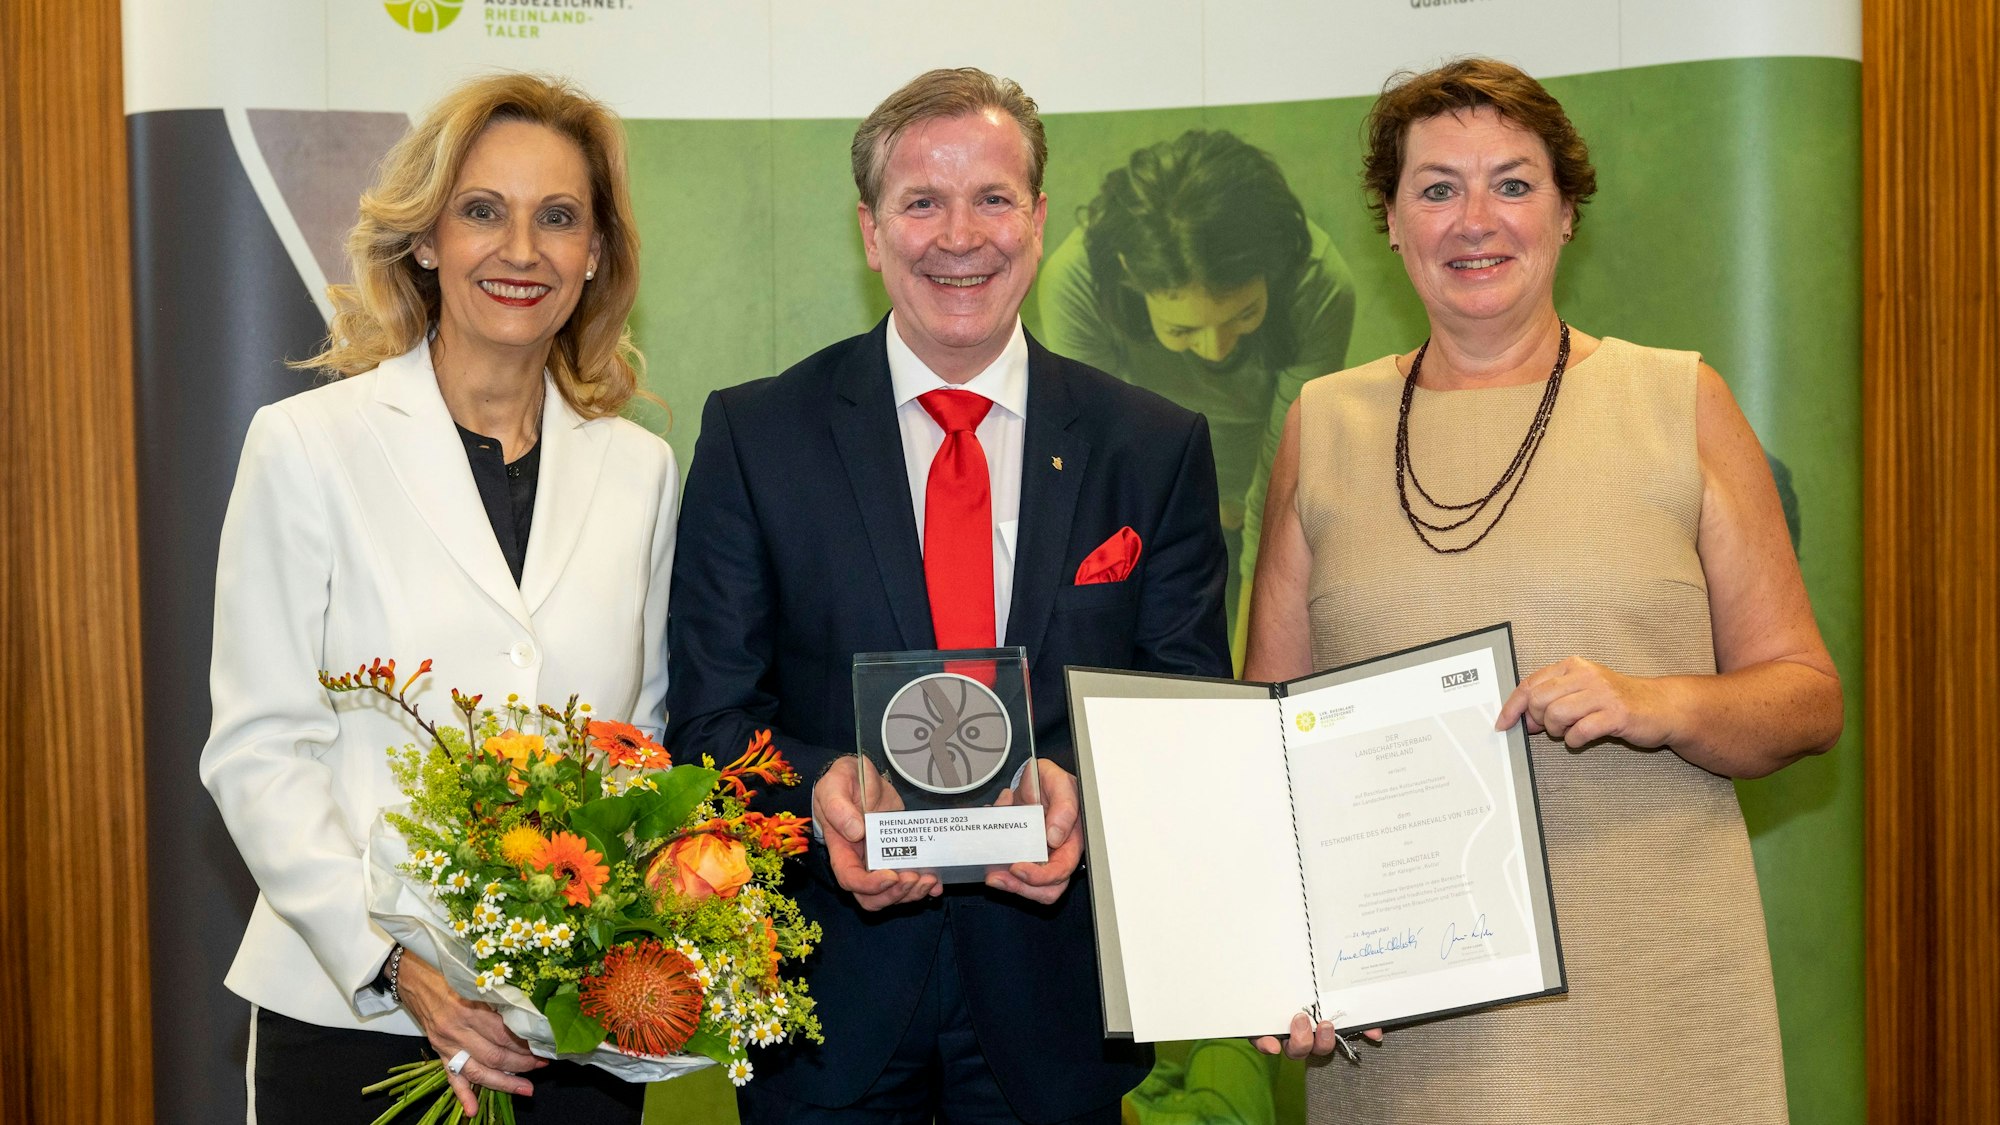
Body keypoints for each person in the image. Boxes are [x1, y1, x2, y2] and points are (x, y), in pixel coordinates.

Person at [1244, 58, 1842, 1123]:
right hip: (1405, 1033)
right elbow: (1267, 748)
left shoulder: (1677, 401)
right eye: (1436, 188)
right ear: (1391, 223)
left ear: (1566, 213)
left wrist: (1659, 702)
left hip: (1656, 1009)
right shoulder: (1321, 426)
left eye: (1513, 184)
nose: (1474, 220)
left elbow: (1805, 696)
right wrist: (1278, 959)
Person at [666, 68, 1230, 1125]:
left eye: (992, 199)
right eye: (921, 201)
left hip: (1056, 1009)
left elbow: (1185, 723)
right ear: (870, 231)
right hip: (822, 1008)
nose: (959, 236)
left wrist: (1078, 795)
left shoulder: (1150, 448)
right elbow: (709, 724)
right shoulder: (757, 437)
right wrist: (819, 794)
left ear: (1039, 220)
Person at [200, 73, 676, 1124]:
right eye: (482, 211)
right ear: (425, 240)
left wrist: (589, 961)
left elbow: (637, 743)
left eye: (559, 217)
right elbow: (257, 749)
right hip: (353, 1016)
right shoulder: (306, 446)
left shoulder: (641, 470)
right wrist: (397, 969)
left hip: (568, 1040)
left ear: (596, 253)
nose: (522, 250)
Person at [1037, 129, 1355, 643]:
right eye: (1183, 329)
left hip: (1260, 505)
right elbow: (1098, 459)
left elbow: (1282, 470)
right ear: (1130, 278)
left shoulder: (1317, 280)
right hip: (1148, 506)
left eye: (1244, 315)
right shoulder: (1076, 283)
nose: (1216, 350)